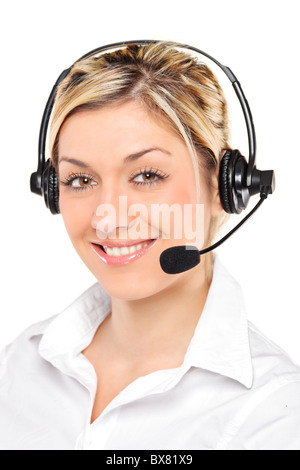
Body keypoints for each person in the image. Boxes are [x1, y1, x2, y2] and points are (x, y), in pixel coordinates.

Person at [0, 41, 299, 450]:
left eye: (146, 175)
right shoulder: (18, 365)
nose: (109, 216)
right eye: (80, 181)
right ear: (52, 191)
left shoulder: (272, 411)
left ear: (224, 187)